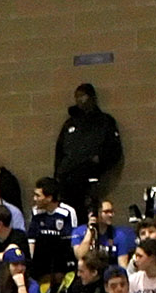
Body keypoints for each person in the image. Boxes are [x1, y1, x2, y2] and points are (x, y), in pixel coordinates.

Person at [52, 82, 122, 211]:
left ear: (92, 97)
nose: (79, 100)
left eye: (83, 96)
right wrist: (58, 174)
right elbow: (60, 152)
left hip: (89, 180)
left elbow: (114, 151)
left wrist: (98, 161)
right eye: (77, 96)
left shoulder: (104, 122)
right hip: (67, 181)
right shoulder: (70, 124)